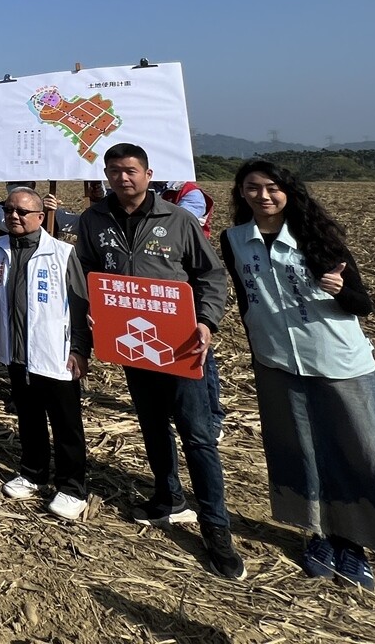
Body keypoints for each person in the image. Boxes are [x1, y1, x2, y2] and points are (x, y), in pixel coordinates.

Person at [219, 160, 375, 589]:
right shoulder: (235, 240)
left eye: (272, 187)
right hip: (277, 363)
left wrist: (340, 290)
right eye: (252, 188)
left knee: (359, 451)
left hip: (337, 360)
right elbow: (244, 296)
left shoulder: (318, 238)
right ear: (240, 193)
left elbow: (362, 304)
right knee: (300, 450)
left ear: (288, 191)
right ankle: (318, 534)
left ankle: (355, 541)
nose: (263, 195)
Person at [76, 143, 247, 581]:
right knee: (151, 423)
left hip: (182, 345)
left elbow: (209, 275)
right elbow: (89, 273)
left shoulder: (178, 219)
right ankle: (168, 496)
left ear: (148, 174)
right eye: (113, 171)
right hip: (133, 344)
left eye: (130, 170)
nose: (122, 178)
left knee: (198, 436)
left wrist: (207, 323)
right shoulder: (96, 220)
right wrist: (94, 312)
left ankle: (216, 528)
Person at [0, 186, 91, 521]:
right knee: (29, 416)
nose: (14, 216)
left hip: (55, 353)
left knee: (66, 423)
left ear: (39, 216)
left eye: (22, 212)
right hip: (16, 352)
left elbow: (79, 305)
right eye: (9, 210)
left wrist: (79, 349)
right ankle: (32, 472)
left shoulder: (62, 253)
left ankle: (73, 487)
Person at [156, 179, 228, 441]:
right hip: (156, 288)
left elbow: (173, 226)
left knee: (197, 352)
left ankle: (212, 418)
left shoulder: (189, 193)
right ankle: (177, 409)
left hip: (186, 284)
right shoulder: (153, 189)